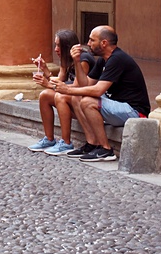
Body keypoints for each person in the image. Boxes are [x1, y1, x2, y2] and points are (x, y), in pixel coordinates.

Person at [53, 25, 150, 162]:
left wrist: (68, 89)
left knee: (87, 102)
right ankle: (92, 143)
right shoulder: (102, 61)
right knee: (76, 98)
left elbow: (98, 90)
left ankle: (106, 149)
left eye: (92, 40)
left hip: (134, 111)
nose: (88, 44)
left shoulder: (118, 59)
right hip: (116, 106)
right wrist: (76, 61)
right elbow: (85, 84)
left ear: (103, 43)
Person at [28, 29, 96, 155]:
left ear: (67, 46)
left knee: (60, 97)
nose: (55, 49)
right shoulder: (65, 58)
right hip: (72, 95)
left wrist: (48, 84)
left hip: (83, 100)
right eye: (55, 45)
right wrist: (45, 70)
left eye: (58, 45)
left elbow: (76, 88)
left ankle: (66, 142)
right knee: (44, 96)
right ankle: (49, 139)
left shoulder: (83, 59)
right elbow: (61, 80)